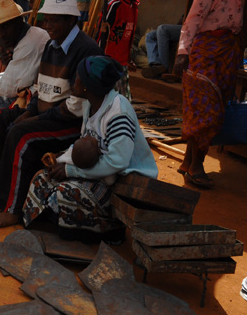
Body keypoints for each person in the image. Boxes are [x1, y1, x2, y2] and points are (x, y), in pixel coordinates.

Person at [0, 0, 103, 228]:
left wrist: (36, 117)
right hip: (47, 112)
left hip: (71, 121)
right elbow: (40, 86)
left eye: (55, 20)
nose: (48, 25)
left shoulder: (84, 49)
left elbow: (76, 106)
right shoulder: (53, 44)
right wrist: (29, 111)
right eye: (47, 20)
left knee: (21, 136)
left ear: (71, 20)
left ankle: (13, 209)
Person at [22, 55, 158, 241]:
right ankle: (42, 226)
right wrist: (62, 156)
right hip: (100, 174)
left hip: (122, 183)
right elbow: (85, 143)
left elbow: (117, 162)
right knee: (43, 178)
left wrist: (70, 170)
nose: (74, 80)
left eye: (78, 77)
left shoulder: (118, 112)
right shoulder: (89, 104)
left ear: (88, 85)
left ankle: (107, 230)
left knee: (66, 192)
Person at [174, 0, 244, 188]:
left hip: (227, 53)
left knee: (212, 108)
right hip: (205, 53)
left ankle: (188, 162)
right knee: (205, 111)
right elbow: (192, 20)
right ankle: (197, 166)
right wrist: (183, 52)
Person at [100, 0, 140, 100]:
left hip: (122, 60)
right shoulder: (115, 5)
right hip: (110, 59)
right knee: (111, 95)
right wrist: (100, 55)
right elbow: (102, 33)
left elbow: (128, 37)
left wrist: (128, 58)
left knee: (123, 96)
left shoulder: (134, 6)